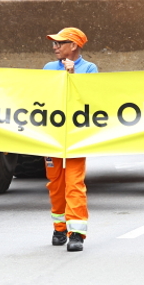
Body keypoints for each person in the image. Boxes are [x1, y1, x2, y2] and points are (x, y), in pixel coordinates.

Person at [42, 27, 97, 252]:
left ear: (73, 46)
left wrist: (73, 78)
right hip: (52, 136)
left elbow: (91, 100)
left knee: (74, 183)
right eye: (54, 44)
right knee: (55, 183)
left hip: (75, 136)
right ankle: (59, 227)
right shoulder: (48, 68)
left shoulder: (89, 69)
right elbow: (42, 98)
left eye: (59, 43)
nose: (55, 47)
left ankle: (77, 234)